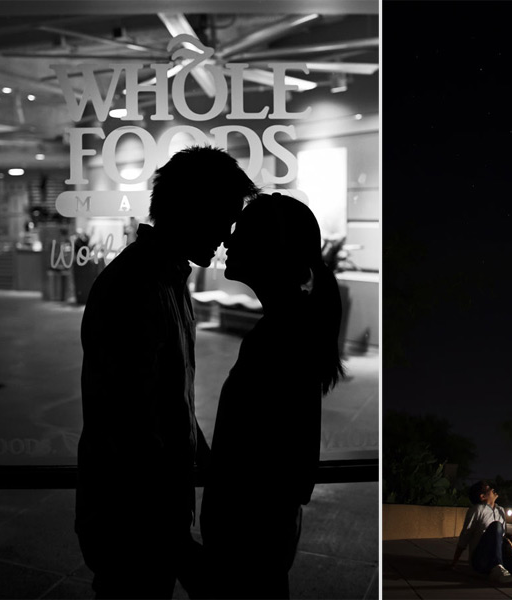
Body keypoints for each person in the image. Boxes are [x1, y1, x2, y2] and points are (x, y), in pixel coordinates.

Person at [75, 146, 258, 599]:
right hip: (130, 522)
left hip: (152, 518)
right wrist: (176, 545)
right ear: (194, 210)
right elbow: (128, 427)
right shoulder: (134, 288)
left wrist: (202, 455)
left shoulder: (169, 281)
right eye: (224, 217)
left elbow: (166, 396)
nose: (228, 235)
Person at [200, 193, 345, 599]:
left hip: (249, 540)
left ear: (270, 250)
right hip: (263, 537)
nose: (228, 241)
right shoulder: (292, 325)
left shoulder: (279, 338)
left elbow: (269, 461)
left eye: (241, 233)